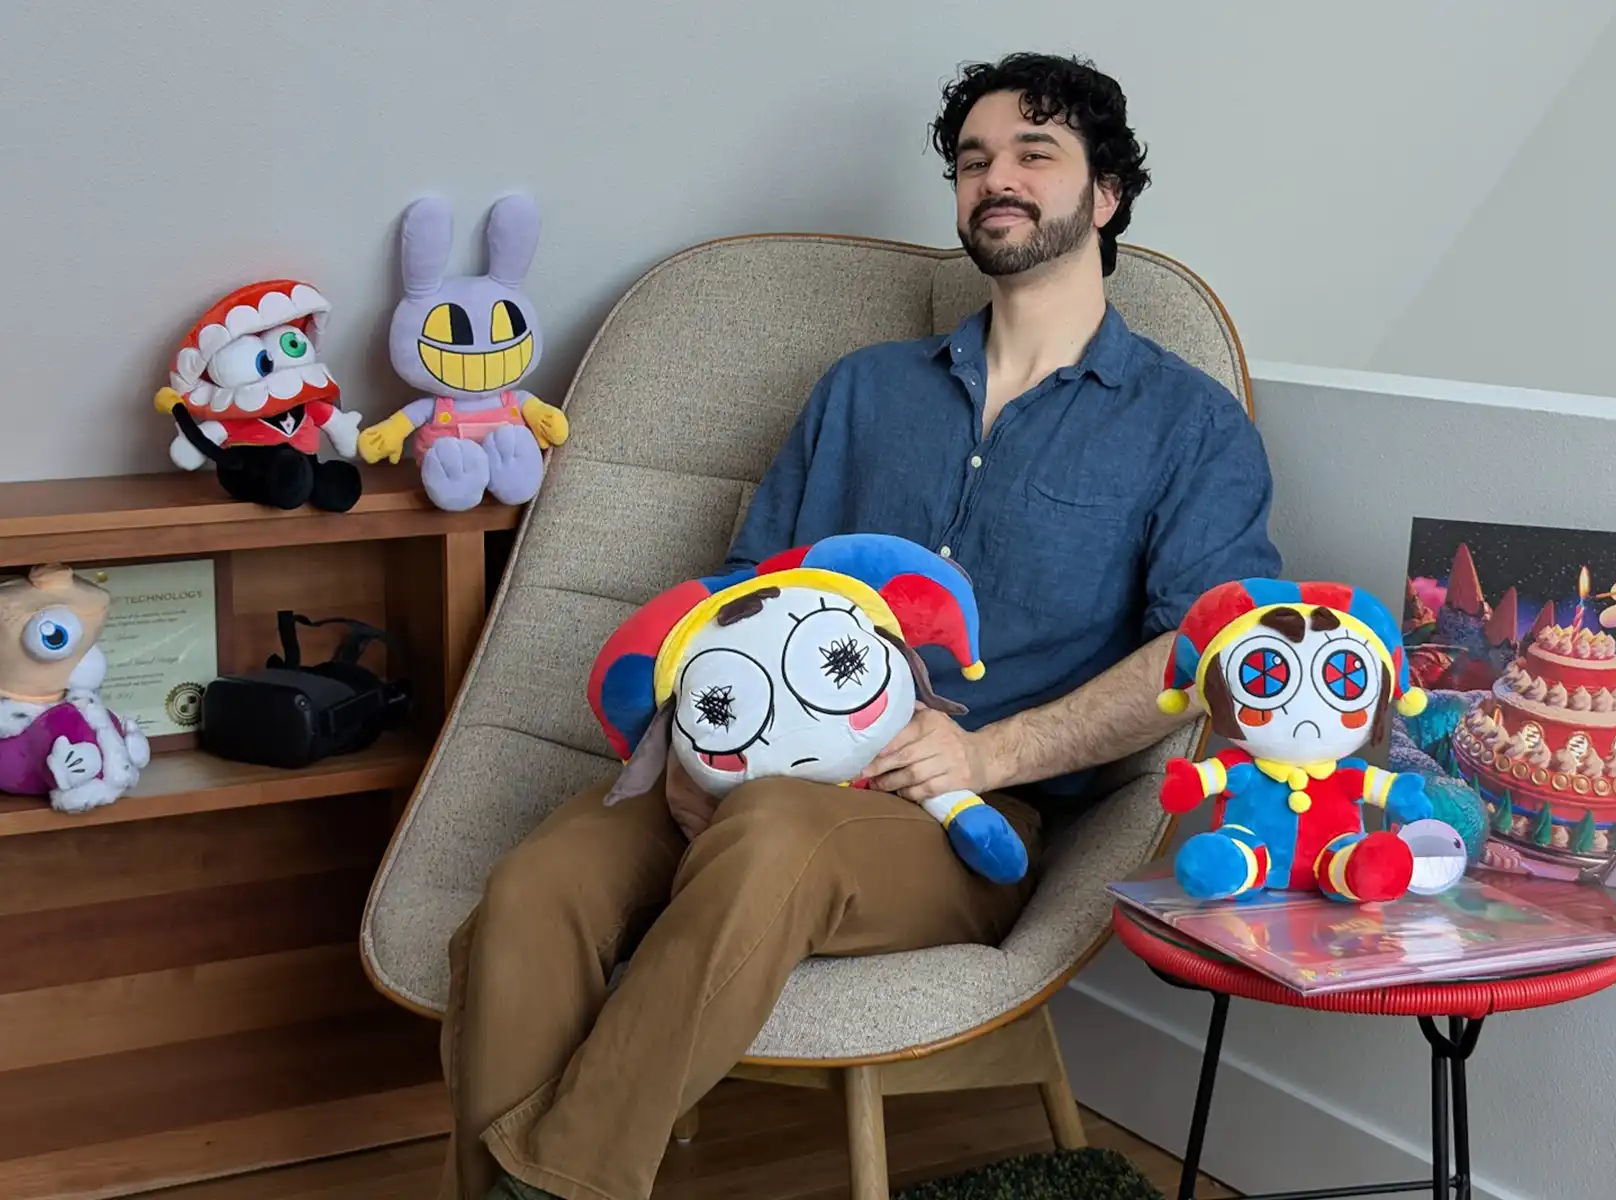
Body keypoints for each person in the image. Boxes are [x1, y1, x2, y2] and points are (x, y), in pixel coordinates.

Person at [446, 51, 1282, 1200]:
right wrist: (684, 752)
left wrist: (990, 753)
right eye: (974, 159)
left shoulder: (1190, 428)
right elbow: (741, 587)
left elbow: (1210, 649)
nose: (996, 177)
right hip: (736, 763)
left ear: (1106, 196)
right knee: (536, 887)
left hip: (957, 820)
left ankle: (555, 1187)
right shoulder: (863, 390)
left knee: (777, 838)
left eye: (1034, 154)